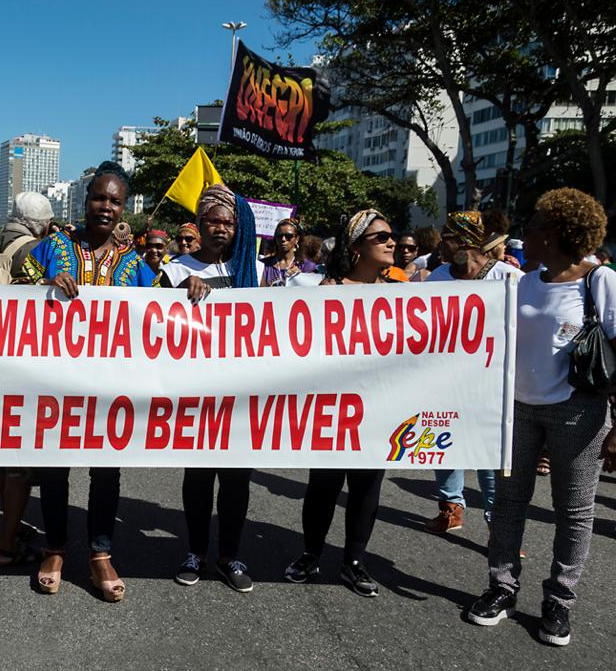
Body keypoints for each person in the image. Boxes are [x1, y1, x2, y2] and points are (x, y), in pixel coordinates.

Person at [466, 188, 616, 647]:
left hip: (579, 410)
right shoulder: (521, 282)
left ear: (551, 235)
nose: (522, 234)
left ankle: (559, 601)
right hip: (517, 409)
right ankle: (501, 588)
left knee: (573, 510)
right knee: (510, 502)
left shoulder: (601, 281)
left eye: (530, 226)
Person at [23, 161, 156, 601]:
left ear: (124, 208)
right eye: (99, 197)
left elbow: (161, 317)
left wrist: (193, 286)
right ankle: (55, 548)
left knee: (106, 471)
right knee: (54, 468)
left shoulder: (135, 265)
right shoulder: (51, 247)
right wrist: (44, 282)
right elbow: (4, 299)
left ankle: (100, 553)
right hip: (56, 381)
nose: (106, 206)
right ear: (85, 201)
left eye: (115, 201)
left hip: (108, 385)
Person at [284, 208, 400, 597]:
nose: (391, 242)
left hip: (379, 407)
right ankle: (310, 554)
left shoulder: (399, 296)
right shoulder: (328, 292)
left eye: (391, 236)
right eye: (381, 237)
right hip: (333, 409)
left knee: (367, 488)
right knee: (324, 486)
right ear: (355, 247)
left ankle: (354, 562)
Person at [158, 184, 264, 594]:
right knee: (199, 478)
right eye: (213, 221)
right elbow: (149, 325)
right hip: (196, 396)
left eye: (228, 221)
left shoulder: (252, 271)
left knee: (237, 480)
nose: (221, 228)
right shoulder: (176, 271)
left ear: (238, 227)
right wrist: (181, 300)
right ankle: (196, 552)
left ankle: (230, 556)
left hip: (240, 395)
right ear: (199, 225)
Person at [423, 211, 523, 535]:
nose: (441, 246)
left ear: (464, 242)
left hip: (490, 383)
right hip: (444, 380)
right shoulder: (438, 276)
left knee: (489, 454)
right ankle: (450, 508)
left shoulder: (508, 277)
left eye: (447, 239)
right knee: (443, 441)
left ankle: (499, 528)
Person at [0, 192, 55, 567]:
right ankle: (7, 545)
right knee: (21, 463)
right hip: (26, 365)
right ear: (42, 224)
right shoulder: (35, 251)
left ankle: (10, 527)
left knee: (4, 455)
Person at [261, 218, 318, 287]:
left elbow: (314, 291)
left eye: (288, 236)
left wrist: (302, 277)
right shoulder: (263, 265)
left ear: (297, 239)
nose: (283, 239)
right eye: (279, 236)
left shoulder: (307, 266)